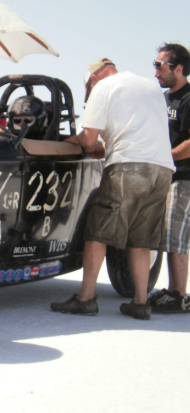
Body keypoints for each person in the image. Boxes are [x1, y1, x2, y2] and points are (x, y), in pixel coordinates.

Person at [50, 58, 175, 320]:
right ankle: (140, 302)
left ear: (93, 79)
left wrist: (66, 141)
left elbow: (88, 138)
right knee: (141, 239)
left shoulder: (103, 88)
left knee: (98, 231)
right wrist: (105, 147)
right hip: (162, 169)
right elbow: (139, 133)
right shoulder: (151, 88)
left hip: (128, 168)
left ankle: (85, 298)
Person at [148, 43, 190, 314]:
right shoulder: (164, 99)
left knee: (177, 236)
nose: (156, 73)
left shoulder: (188, 97)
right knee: (168, 235)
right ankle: (173, 290)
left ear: (179, 68)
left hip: (184, 177)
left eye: (159, 66)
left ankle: (179, 295)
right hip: (167, 175)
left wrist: (164, 158)